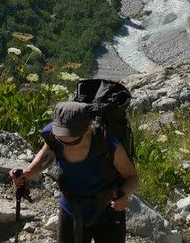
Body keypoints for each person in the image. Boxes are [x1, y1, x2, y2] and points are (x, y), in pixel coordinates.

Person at [11, 100, 138, 243]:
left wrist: (123, 196)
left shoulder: (107, 144)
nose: (65, 144)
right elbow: (46, 154)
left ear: (88, 127)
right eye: (61, 138)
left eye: (72, 141)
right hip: (71, 210)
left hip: (107, 213)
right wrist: (27, 173)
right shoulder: (54, 135)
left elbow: (132, 177)